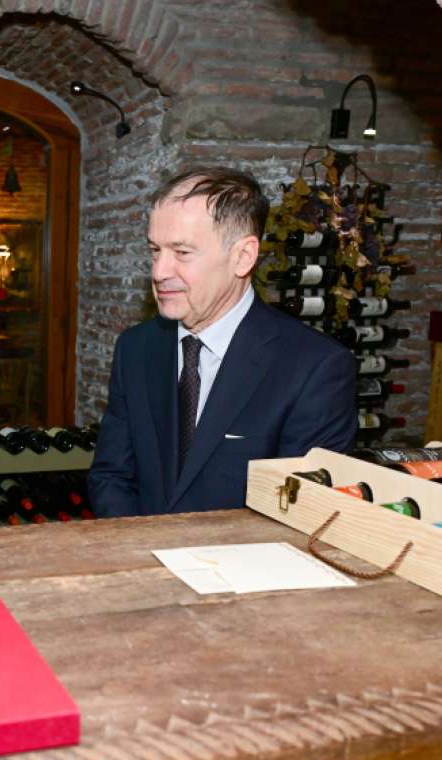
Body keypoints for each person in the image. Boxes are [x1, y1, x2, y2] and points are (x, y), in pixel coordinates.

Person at [88, 166, 357, 517]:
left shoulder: (315, 368)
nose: (159, 271)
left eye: (182, 253)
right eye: (155, 250)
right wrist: (141, 545)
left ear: (242, 257)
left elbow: (302, 514)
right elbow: (112, 475)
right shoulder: (135, 348)